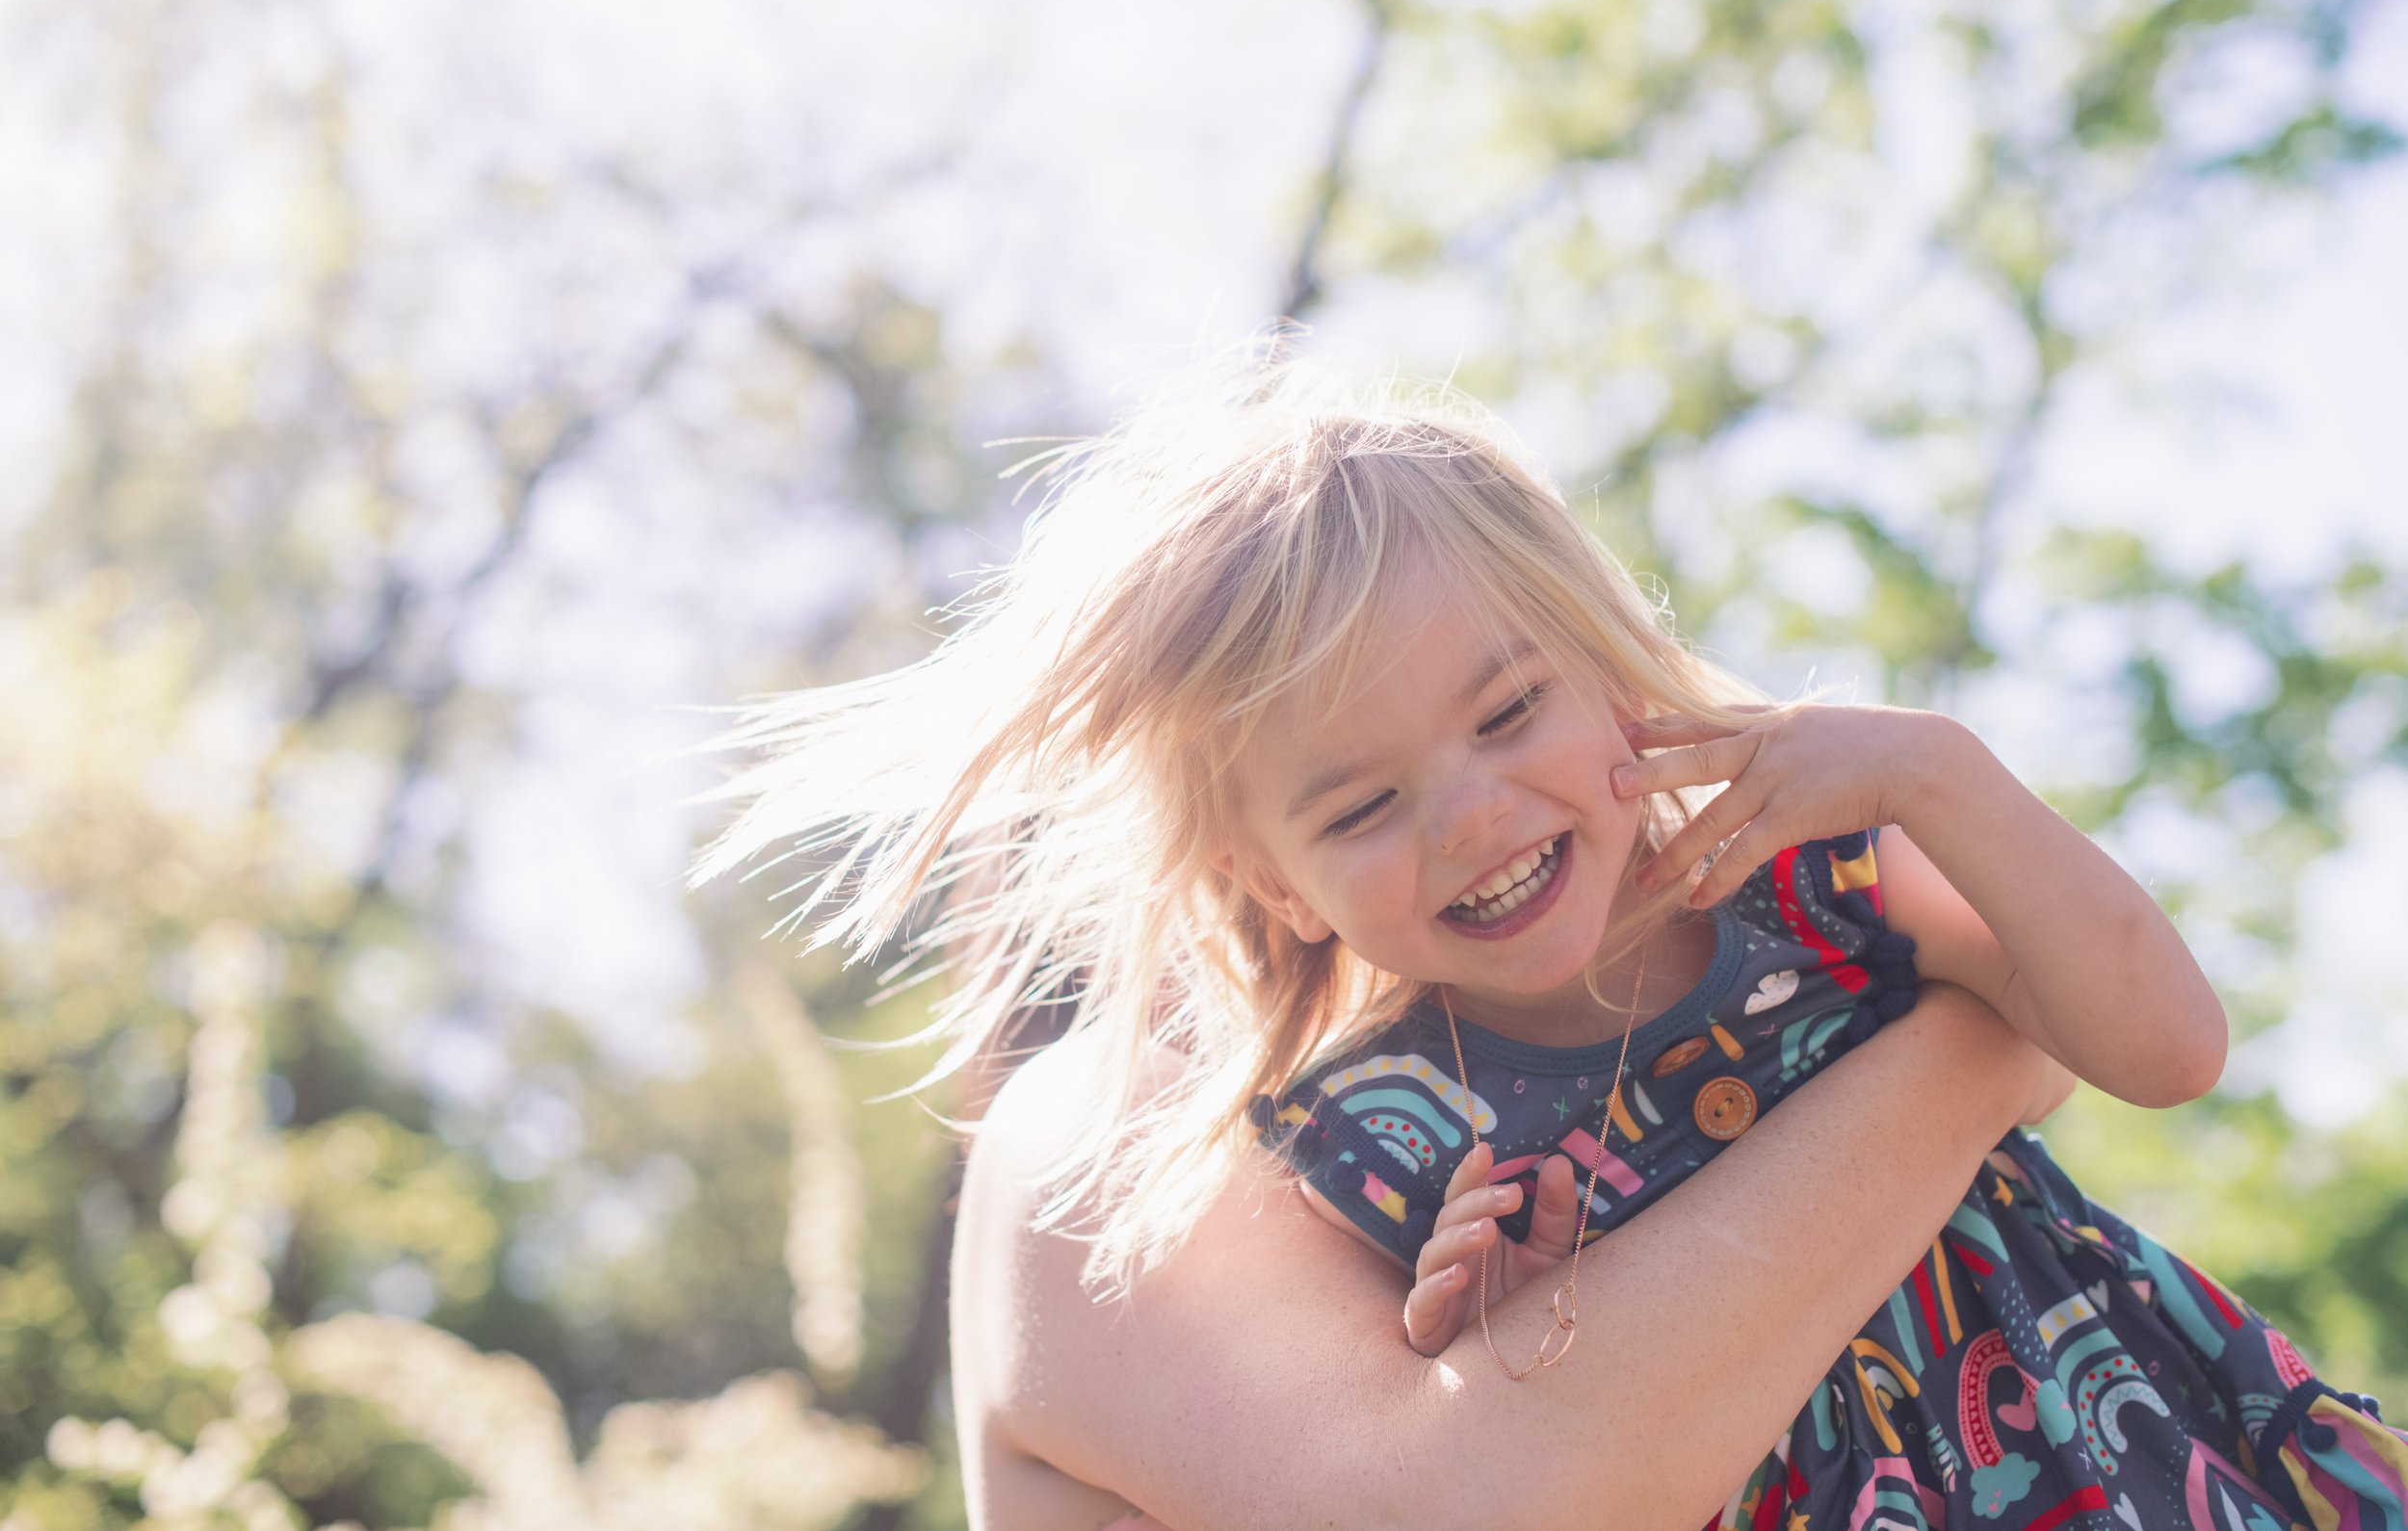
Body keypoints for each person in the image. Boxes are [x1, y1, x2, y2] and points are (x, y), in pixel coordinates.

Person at [689, 349, 2405, 1529]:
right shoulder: (1344, 1140)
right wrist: (1502, 1321)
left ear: (1608, 664)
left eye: (1511, 710)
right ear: (1273, 880)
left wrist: (1944, 786)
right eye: (1359, 809)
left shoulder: (1822, 890)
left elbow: (2168, 1045)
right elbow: (1510, 1464)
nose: (1475, 817)